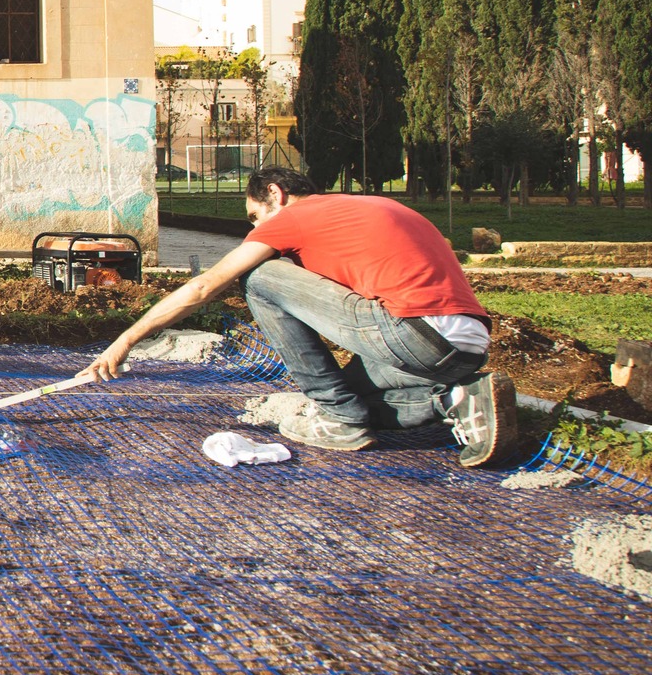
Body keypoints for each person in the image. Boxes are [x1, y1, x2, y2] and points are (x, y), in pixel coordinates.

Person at [81, 165, 516, 466]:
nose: (255, 230)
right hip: (466, 347)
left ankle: (336, 417)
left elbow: (203, 286)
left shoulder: (299, 215)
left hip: (412, 334)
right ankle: (456, 400)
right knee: (358, 400)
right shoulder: (369, 208)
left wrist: (126, 339)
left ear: (276, 194)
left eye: (255, 217)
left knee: (260, 277)